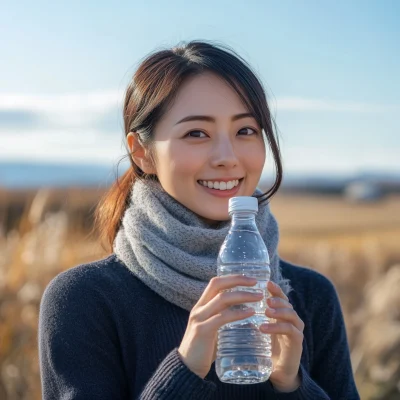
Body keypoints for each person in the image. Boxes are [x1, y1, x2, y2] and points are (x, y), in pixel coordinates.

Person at [38, 40, 360, 399]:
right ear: (142, 153)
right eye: (196, 133)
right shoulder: (86, 301)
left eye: (246, 131)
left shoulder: (309, 298)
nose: (227, 157)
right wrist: (185, 371)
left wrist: (293, 385)